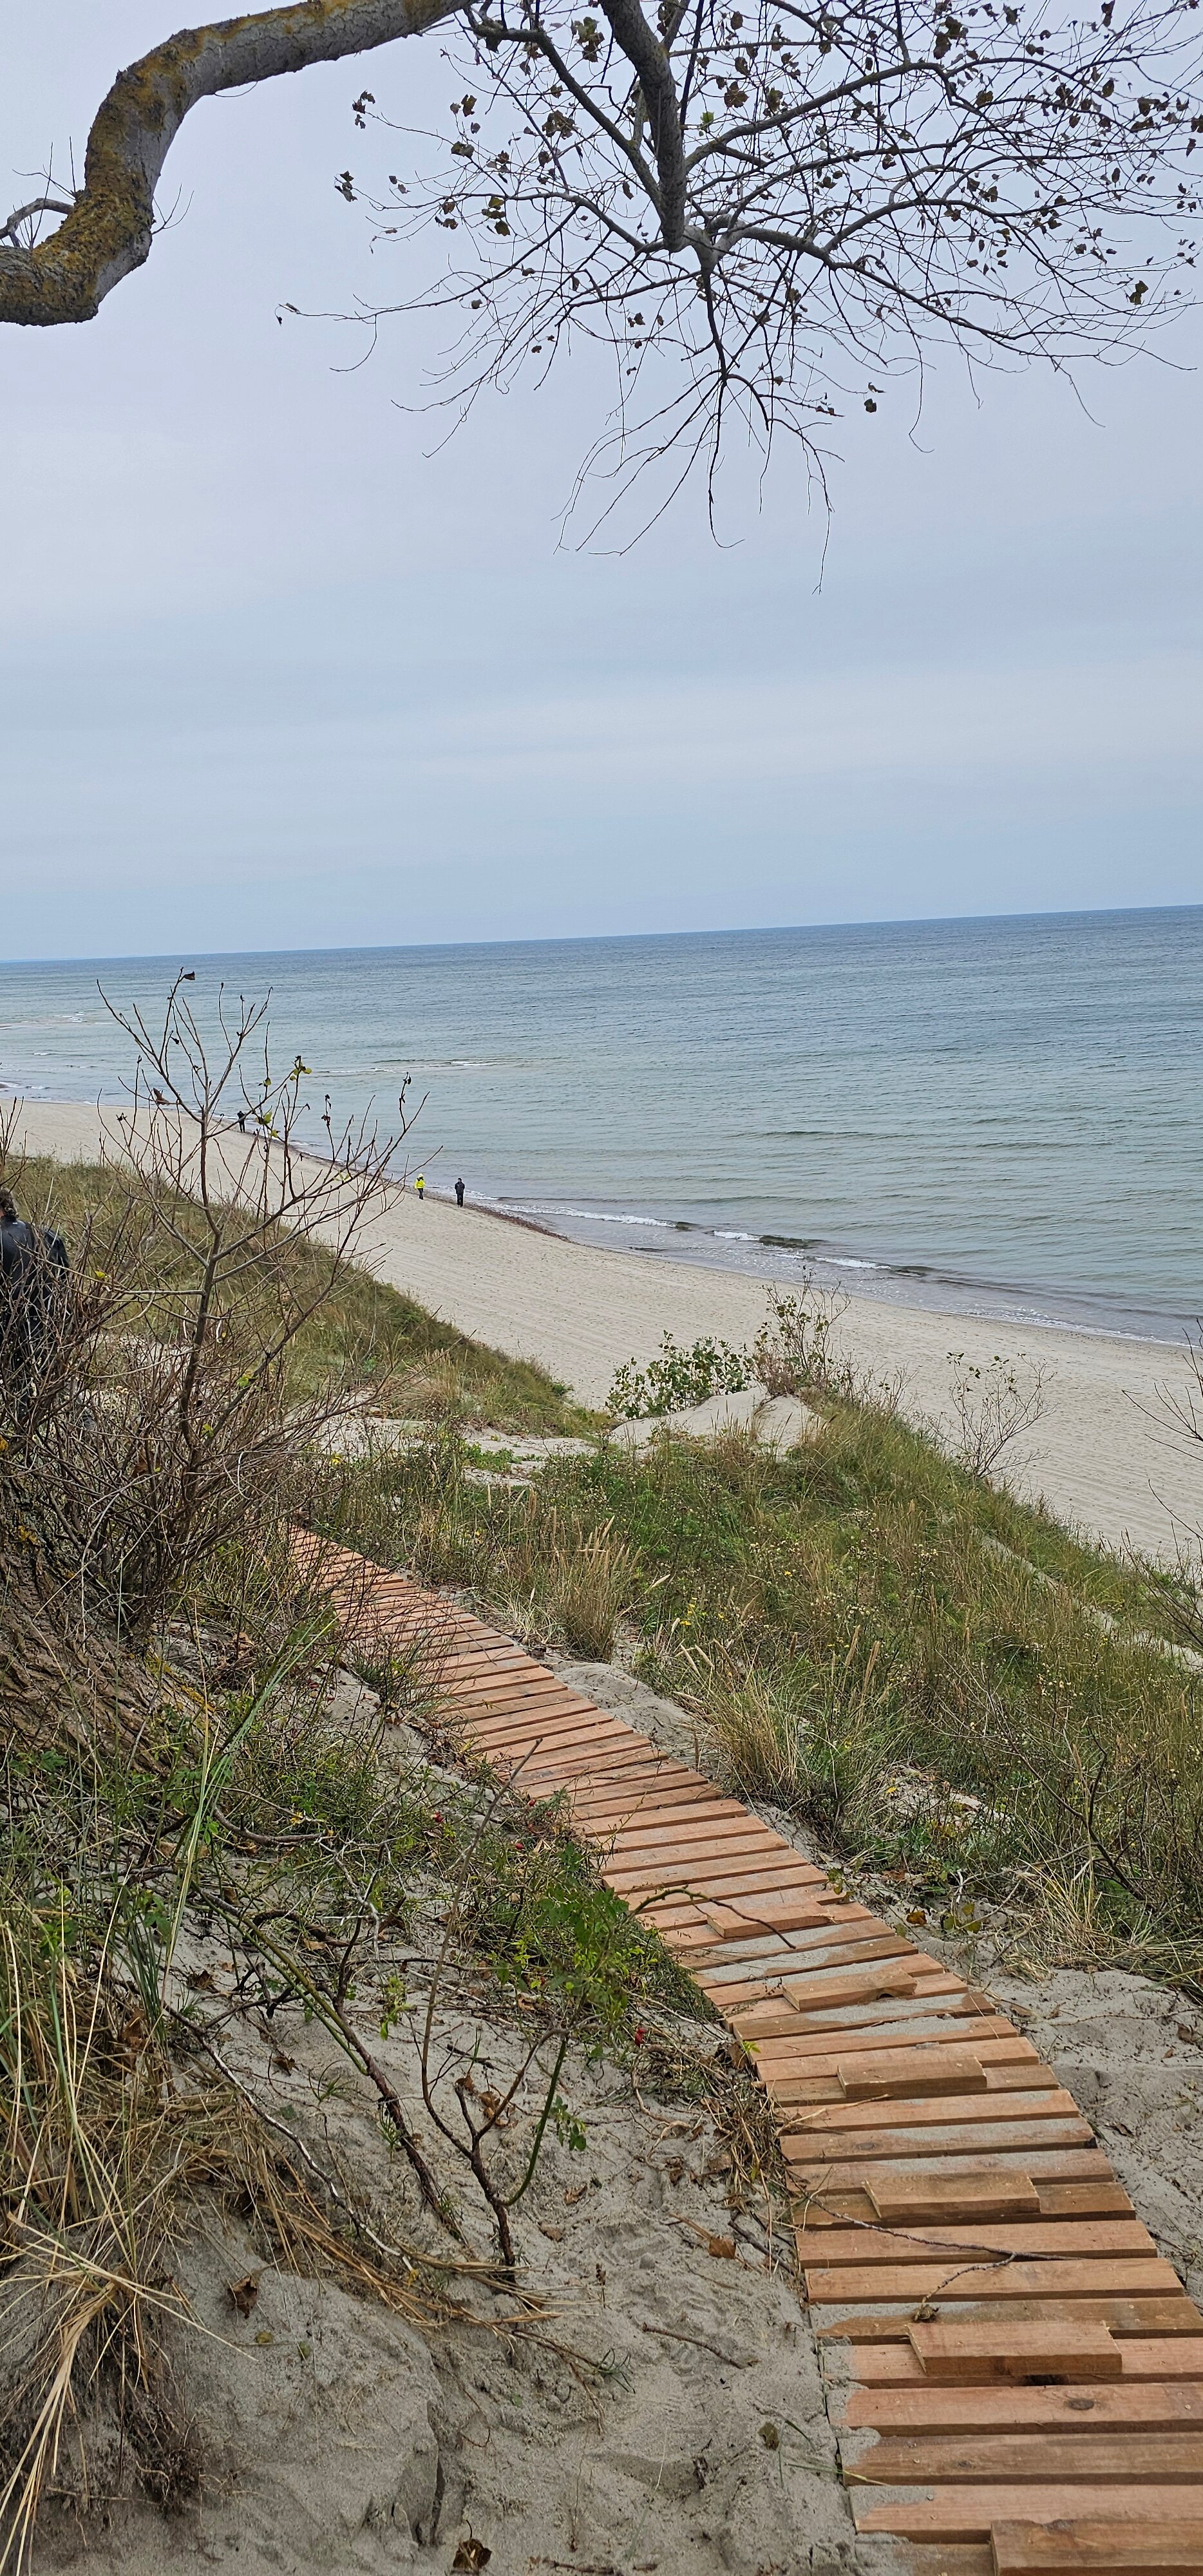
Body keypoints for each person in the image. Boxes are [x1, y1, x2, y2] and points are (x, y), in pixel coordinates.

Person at [0, 1184, 69, 1403]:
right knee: (60, 1390)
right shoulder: (45, 1235)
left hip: (10, 1331)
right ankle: (84, 1429)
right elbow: (66, 1283)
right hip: (48, 1330)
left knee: (18, 1394)